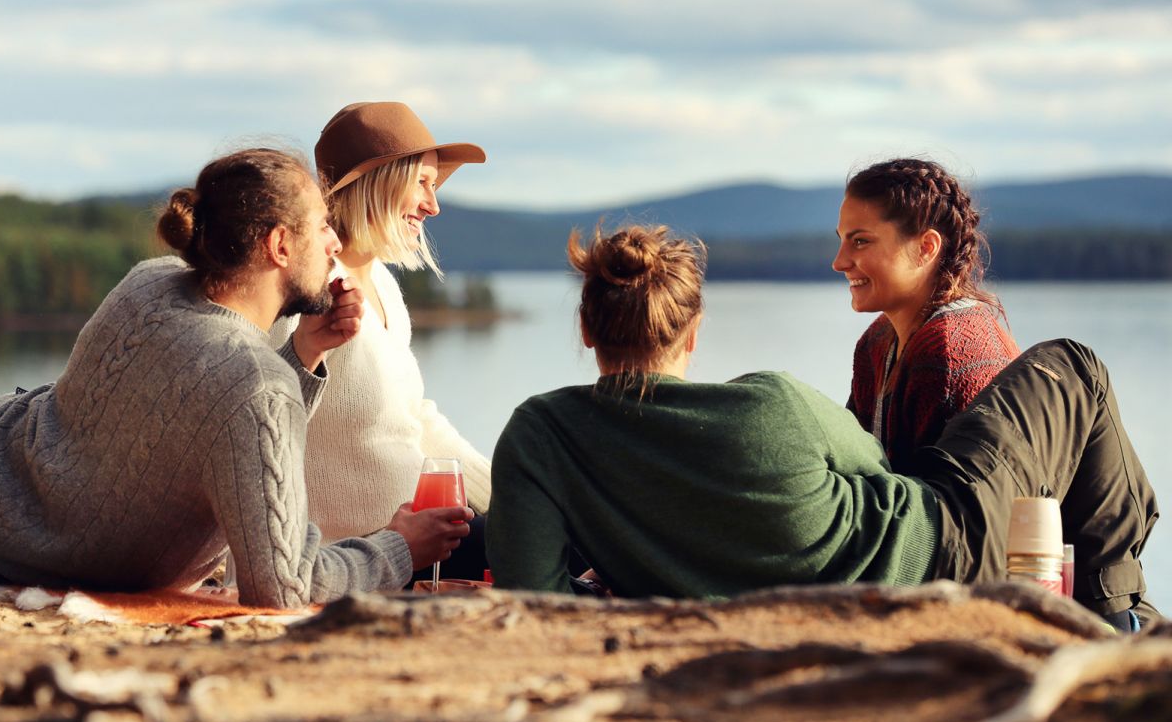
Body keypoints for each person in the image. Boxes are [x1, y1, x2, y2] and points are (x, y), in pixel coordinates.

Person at [0, 147, 472, 609]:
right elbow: (280, 583)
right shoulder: (257, 390)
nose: (335, 243)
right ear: (280, 245)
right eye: (321, 229)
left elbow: (192, 402)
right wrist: (399, 546)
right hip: (69, 556)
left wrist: (303, 354)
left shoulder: (150, 285)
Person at [486, 224, 1157, 630]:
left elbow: (536, 599)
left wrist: (645, 563)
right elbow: (882, 465)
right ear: (692, 334)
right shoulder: (774, 403)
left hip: (870, 587)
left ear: (584, 329)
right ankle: (1118, 611)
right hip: (946, 547)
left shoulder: (540, 435)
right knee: (1075, 367)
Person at [270, 101, 492, 581]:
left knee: (560, 536)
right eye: (423, 183)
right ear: (380, 183)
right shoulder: (310, 288)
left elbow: (415, 418)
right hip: (353, 557)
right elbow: (261, 413)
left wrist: (511, 495)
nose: (433, 205)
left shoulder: (385, 287)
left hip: (416, 536)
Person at [833, 158, 1019, 473]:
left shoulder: (949, 353)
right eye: (842, 240)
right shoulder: (877, 341)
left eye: (861, 241)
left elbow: (949, 515)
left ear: (926, 248)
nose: (839, 262)